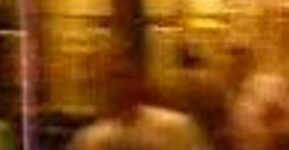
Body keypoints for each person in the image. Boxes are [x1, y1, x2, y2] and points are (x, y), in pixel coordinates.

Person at [67, 55, 209, 150]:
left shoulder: (175, 127)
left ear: (139, 82)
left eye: (123, 78)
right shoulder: (90, 139)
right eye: (109, 80)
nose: (117, 87)